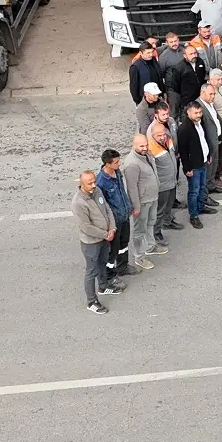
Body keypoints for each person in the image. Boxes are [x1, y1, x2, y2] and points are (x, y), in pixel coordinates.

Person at [73, 171, 120, 313]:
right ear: (81, 184)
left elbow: (107, 209)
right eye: (90, 183)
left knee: (102, 263)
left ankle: (103, 286)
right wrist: (106, 234)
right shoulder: (78, 203)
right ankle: (91, 301)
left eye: (94, 181)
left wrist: (112, 227)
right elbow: (86, 227)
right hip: (91, 243)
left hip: (105, 238)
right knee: (91, 271)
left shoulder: (97, 190)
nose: (94, 185)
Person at [121, 134, 161, 267]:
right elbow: (131, 188)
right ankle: (139, 256)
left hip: (152, 197)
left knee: (150, 223)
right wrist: (136, 207)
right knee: (140, 230)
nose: (145, 148)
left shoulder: (146, 155)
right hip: (142, 202)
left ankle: (150, 246)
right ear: (133, 145)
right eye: (141, 146)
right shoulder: (131, 164)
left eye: (146, 144)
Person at [96, 149, 134, 282]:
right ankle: (109, 276)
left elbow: (121, 191)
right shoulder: (101, 182)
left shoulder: (117, 172)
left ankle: (123, 267)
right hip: (114, 221)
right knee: (113, 249)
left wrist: (128, 207)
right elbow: (102, 206)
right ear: (107, 164)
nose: (119, 164)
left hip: (124, 215)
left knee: (124, 243)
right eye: (116, 162)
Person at [179, 101, 215, 230]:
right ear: (188, 112)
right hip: (193, 166)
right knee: (194, 191)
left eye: (200, 112)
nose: (199, 115)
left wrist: (208, 154)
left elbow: (204, 140)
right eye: (196, 113)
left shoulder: (200, 122)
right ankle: (193, 215)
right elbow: (183, 151)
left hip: (203, 161)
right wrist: (187, 168)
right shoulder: (184, 128)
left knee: (202, 187)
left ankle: (201, 206)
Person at [148, 114, 180, 238]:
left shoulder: (168, 140)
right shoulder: (150, 150)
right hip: (162, 186)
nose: (162, 137)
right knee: (160, 210)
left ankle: (167, 222)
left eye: (163, 134)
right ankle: (156, 233)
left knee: (169, 206)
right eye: (159, 135)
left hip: (172, 181)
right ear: (152, 135)